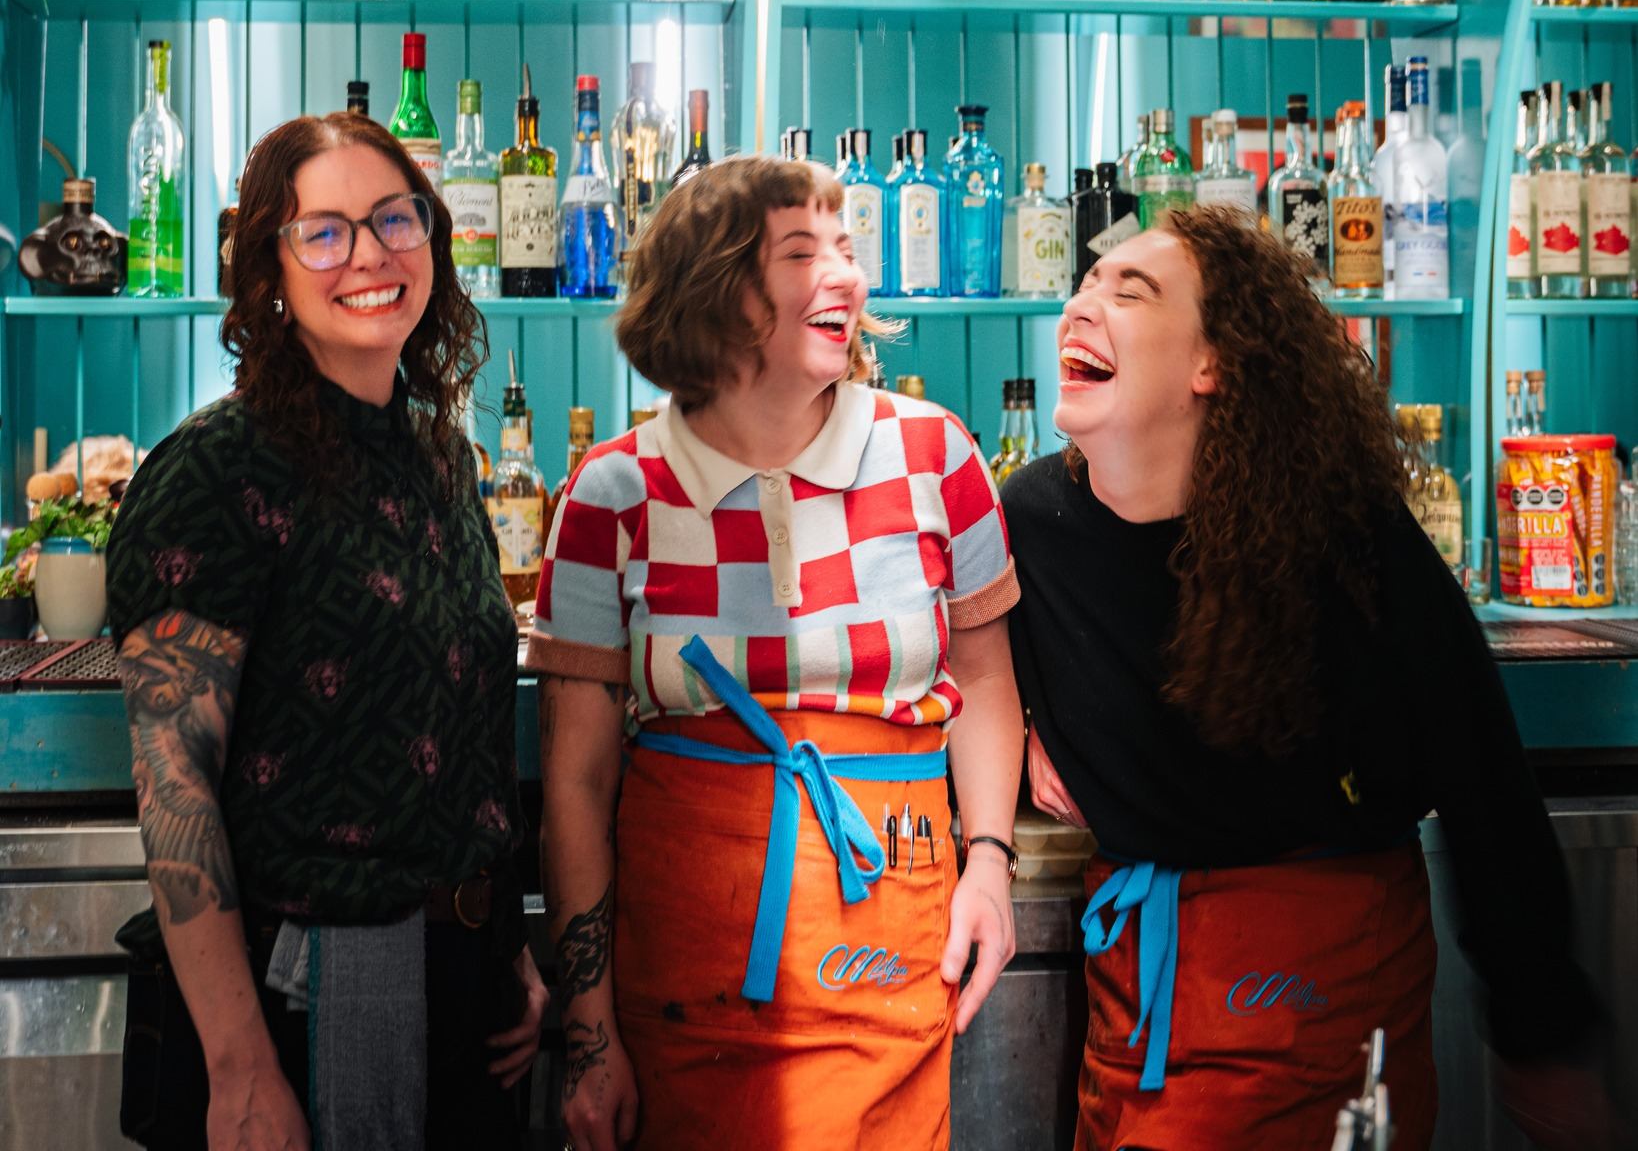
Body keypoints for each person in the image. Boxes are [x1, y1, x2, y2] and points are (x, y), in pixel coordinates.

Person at [1003, 207, 1616, 1151]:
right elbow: (940, 668)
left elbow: (1479, 769)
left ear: (1213, 364)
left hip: (1323, 989)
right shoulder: (1031, 518)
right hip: (1136, 1007)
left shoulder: (1338, 535)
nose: (1081, 307)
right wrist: (1025, 722)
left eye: (1131, 292)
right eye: (1085, 285)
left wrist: (1541, 1028)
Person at [531, 155, 1025, 1151]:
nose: (847, 274)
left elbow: (982, 679)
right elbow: (575, 784)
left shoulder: (938, 456)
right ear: (714, 288)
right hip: (683, 972)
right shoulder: (611, 492)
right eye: (803, 252)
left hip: (891, 946)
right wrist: (589, 1033)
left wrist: (989, 862)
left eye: (847, 248)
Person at [107, 113, 547, 1151]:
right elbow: (175, 787)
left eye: (395, 219)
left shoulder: (442, 461)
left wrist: (511, 946)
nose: (369, 254)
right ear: (269, 270)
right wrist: (240, 1065)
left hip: (468, 981)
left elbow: (467, 742)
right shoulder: (218, 467)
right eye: (324, 232)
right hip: (308, 994)